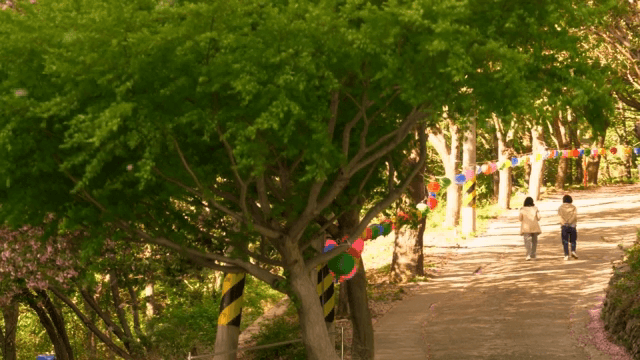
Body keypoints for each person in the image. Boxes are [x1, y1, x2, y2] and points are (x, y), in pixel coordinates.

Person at [519, 197, 541, 261]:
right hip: (534, 227)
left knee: (527, 241)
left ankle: (528, 255)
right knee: (534, 241)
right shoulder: (535, 208)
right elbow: (539, 218)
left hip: (526, 228)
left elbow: (520, 218)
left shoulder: (522, 209)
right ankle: (533, 254)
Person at [558, 194, 578, 261]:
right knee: (573, 240)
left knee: (565, 241)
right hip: (572, 225)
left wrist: (564, 222)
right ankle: (573, 251)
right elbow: (574, 216)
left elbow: (560, 216)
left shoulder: (560, 208)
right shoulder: (573, 207)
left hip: (564, 226)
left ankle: (566, 255)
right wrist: (570, 221)